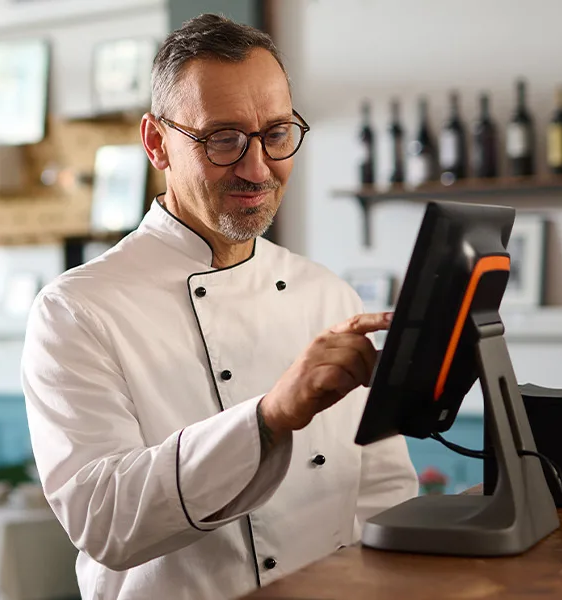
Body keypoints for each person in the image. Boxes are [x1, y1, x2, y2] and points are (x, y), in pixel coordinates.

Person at [20, 14, 418, 600]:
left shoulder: (328, 295)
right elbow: (102, 519)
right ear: (157, 142)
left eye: (277, 134)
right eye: (222, 139)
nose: (257, 168)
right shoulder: (77, 310)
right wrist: (268, 419)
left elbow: (384, 494)